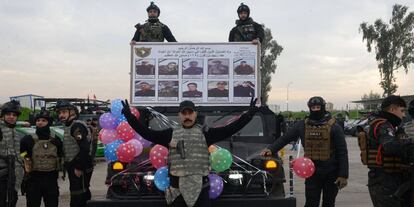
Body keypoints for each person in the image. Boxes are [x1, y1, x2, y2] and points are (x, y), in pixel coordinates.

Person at [121, 98, 258, 207]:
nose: (187, 116)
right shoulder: (170, 134)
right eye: (184, 113)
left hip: (201, 192)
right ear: (179, 115)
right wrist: (130, 117)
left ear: (195, 114)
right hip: (177, 193)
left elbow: (230, 129)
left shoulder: (206, 134)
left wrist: (249, 115)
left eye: (190, 113)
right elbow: (147, 133)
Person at [260, 96, 349, 207]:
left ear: (323, 107)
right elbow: (285, 138)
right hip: (312, 173)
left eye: (318, 107)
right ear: (309, 108)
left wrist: (343, 175)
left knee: (329, 203)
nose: (316, 110)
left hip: (331, 172)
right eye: (313, 107)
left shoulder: (334, 127)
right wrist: (271, 149)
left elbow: (342, 152)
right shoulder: (302, 125)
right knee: (311, 202)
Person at [364, 95, 411, 207]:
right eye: (402, 110)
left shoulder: (393, 126)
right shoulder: (382, 125)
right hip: (383, 181)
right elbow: (390, 147)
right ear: (392, 109)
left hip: (394, 178)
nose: (404, 115)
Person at [20, 109, 62, 207]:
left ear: (48, 122)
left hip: (51, 178)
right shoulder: (28, 139)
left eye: (43, 120)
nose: (40, 122)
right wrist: (26, 158)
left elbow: (60, 154)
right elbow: (21, 153)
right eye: (38, 120)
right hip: (33, 179)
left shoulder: (56, 139)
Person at [55, 100, 93, 207]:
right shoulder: (70, 125)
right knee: (82, 193)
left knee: (78, 195)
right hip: (76, 165)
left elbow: (84, 148)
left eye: (63, 112)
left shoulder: (76, 126)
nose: (61, 115)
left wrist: (78, 167)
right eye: (59, 113)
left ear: (72, 112)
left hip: (79, 166)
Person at [0, 100, 24, 207]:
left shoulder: (16, 133)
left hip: (15, 175)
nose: (11, 117)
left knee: (12, 201)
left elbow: (19, 153)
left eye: (14, 115)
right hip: (2, 175)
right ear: (3, 115)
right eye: (8, 114)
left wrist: (24, 157)